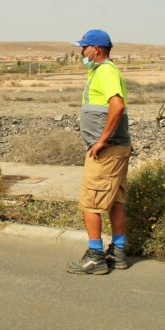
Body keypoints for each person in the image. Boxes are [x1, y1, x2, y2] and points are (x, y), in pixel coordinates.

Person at [66, 29, 131, 275]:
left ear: (96, 49)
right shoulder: (103, 71)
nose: (82, 53)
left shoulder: (105, 71)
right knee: (115, 200)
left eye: (84, 48)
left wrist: (101, 141)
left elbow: (117, 105)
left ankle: (95, 257)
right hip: (116, 147)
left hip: (106, 151)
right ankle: (118, 252)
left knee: (90, 203)